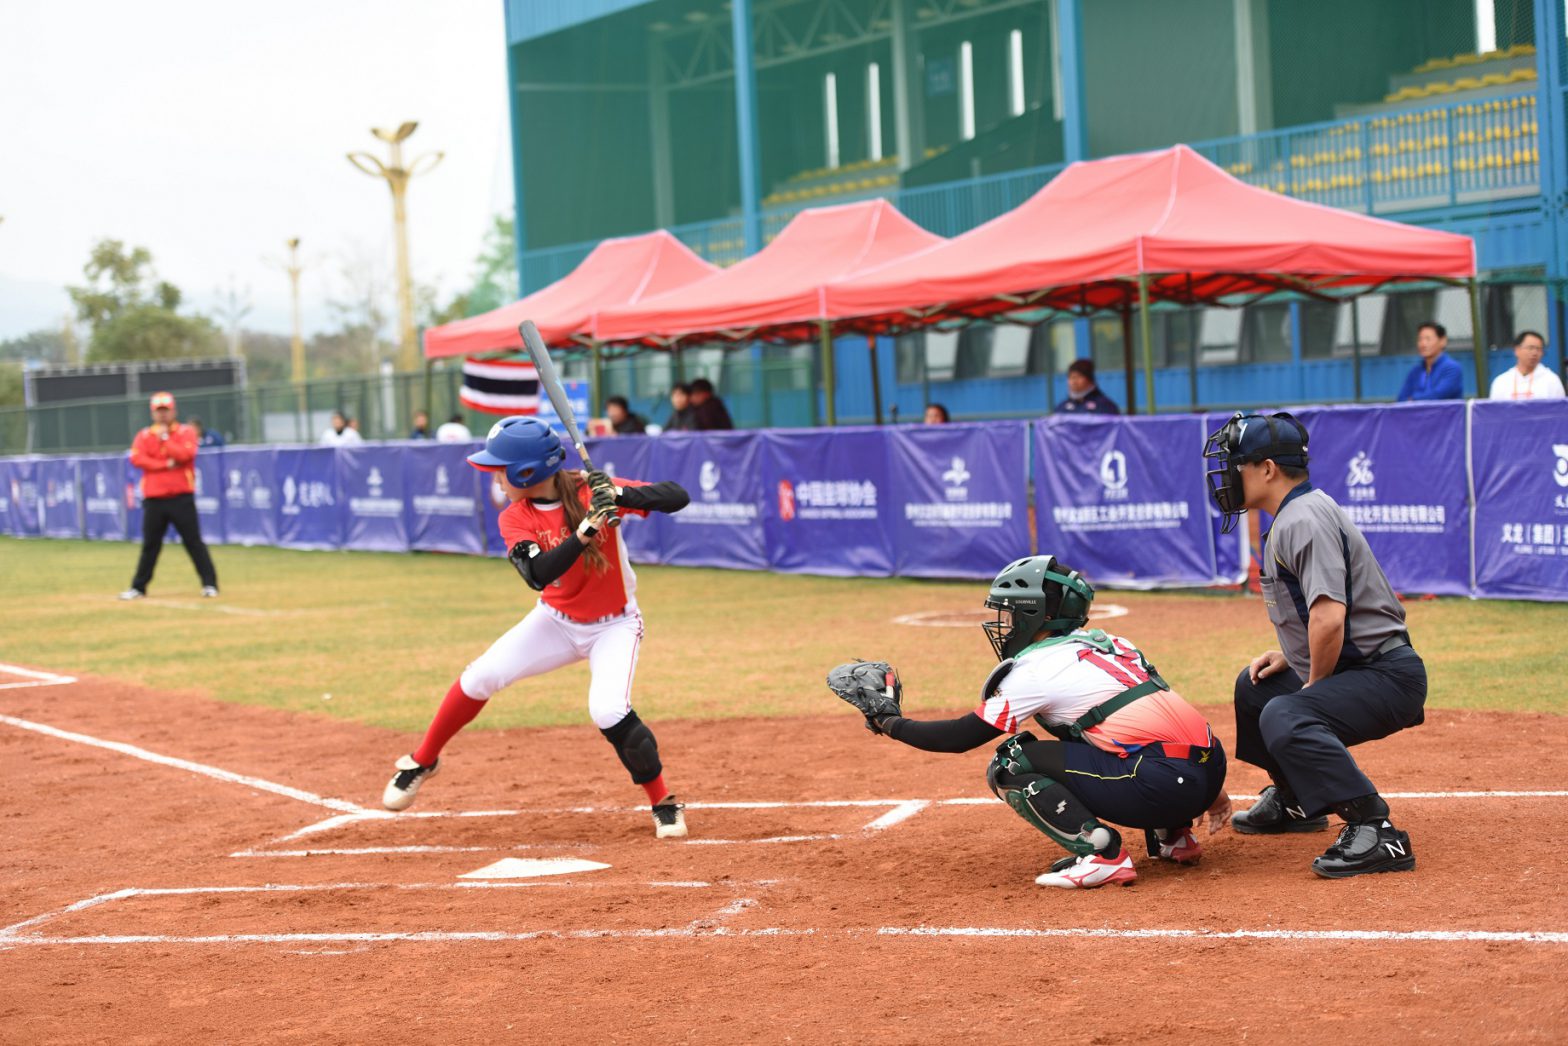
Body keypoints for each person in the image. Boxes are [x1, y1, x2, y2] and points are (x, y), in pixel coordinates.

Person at [827, 555, 1228, 890]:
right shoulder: (1113, 644)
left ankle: (1102, 854)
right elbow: (1171, 719)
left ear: (1034, 613)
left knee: (1011, 762)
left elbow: (961, 737)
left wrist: (888, 721)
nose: (1004, 621)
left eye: (1010, 611)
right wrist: (1213, 794)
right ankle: (1176, 836)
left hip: (1163, 782)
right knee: (1092, 729)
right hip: (1208, 771)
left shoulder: (1035, 670)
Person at [382, 416, 694, 838]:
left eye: (501, 469)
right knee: (481, 676)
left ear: (526, 472)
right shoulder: (516, 516)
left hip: (614, 625)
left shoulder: (589, 489)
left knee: (608, 710)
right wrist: (585, 530)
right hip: (556, 620)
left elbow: (678, 497)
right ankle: (422, 760)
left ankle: (662, 802)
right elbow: (538, 573)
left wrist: (618, 494)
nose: (496, 478)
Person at [1203, 411, 1426, 878]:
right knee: (1256, 687)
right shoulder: (1299, 512)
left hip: (1387, 675)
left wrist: (1313, 689)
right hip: (1365, 665)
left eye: (1237, 464)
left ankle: (1376, 829)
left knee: (1287, 712)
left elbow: (1330, 616)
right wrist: (1294, 656)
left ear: (1267, 469)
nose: (1228, 475)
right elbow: (1324, 615)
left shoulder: (1303, 519)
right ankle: (1296, 802)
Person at [119, 392, 219, 601]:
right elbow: (138, 459)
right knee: (150, 545)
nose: (163, 415)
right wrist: (164, 464)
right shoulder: (145, 435)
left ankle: (210, 584)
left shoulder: (185, 432)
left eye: (166, 410)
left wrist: (165, 440)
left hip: (181, 497)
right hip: (154, 499)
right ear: (153, 412)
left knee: (193, 542)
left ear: (173, 411)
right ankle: (138, 587)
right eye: (159, 411)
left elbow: (185, 456)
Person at [1396, 321, 1465, 401]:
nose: (1423, 344)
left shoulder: (1452, 368)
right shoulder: (1415, 371)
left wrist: (1413, 399)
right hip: (1417, 413)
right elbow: (1401, 399)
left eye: (1428, 339)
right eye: (1420, 339)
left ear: (1443, 341)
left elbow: (1437, 396)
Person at [1488, 329, 1565, 400]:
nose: (1534, 353)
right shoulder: (1502, 382)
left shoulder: (1551, 380)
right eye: (1530, 348)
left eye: (1539, 349)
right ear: (1517, 350)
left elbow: (1559, 410)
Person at [1056, 359, 1120, 414]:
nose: (1074, 381)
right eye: (1071, 377)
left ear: (1090, 380)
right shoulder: (1062, 407)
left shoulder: (1104, 406)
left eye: (1078, 377)